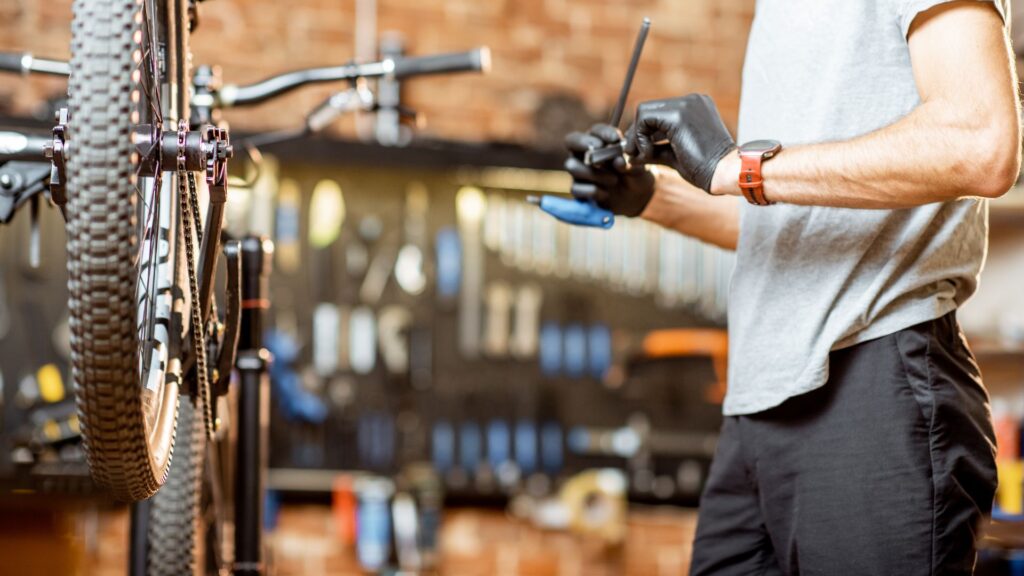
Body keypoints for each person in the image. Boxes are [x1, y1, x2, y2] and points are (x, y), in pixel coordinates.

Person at [565, 1, 1021, 574]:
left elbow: (980, 140)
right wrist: (645, 195)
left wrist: (741, 168)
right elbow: (782, 224)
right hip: (758, 407)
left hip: (871, 380)